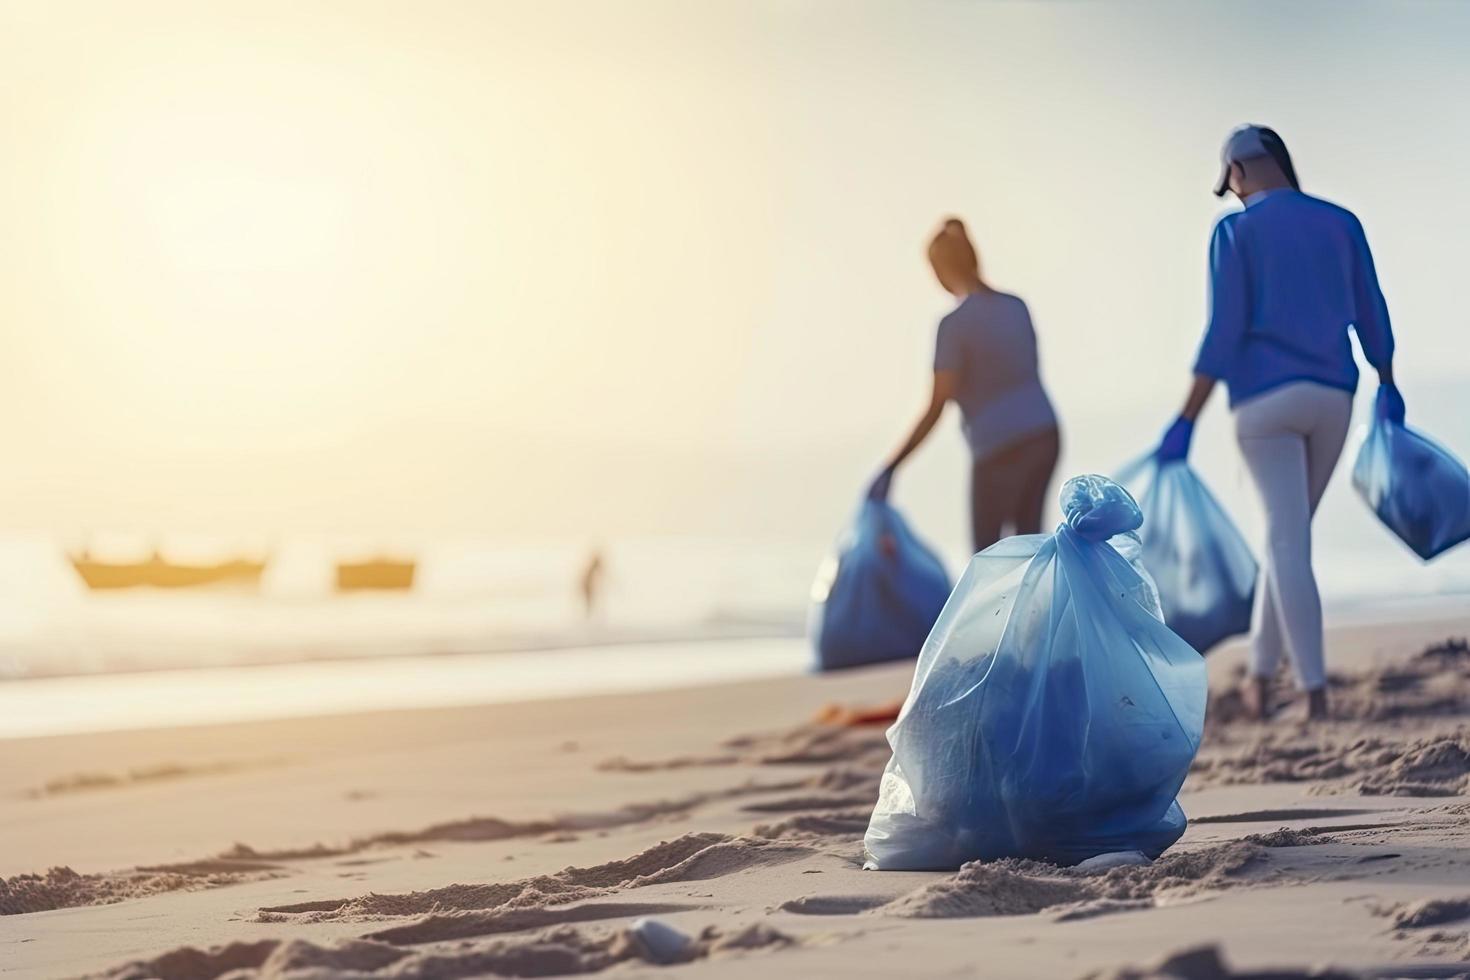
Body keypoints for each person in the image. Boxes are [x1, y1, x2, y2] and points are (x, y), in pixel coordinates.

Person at [1157, 124, 1400, 722]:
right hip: (1333, 399)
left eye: (1231, 182)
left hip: (1263, 405)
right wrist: (1388, 382)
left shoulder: (1234, 231)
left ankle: (1315, 694)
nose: (1233, 194)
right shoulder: (1341, 221)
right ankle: (1261, 681)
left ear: (1239, 170)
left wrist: (1185, 418)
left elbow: (1223, 332)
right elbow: (1373, 311)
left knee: (1287, 539)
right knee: (1285, 537)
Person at [871, 218, 1061, 552]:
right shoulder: (1016, 307)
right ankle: (1044, 603)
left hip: (999, 446)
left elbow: (936, 406)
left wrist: (892, 466)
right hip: (1043, 434)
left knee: (988, 559)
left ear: (941, 272)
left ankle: (1005, 606)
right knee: (1029, 548)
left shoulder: (954, 327)